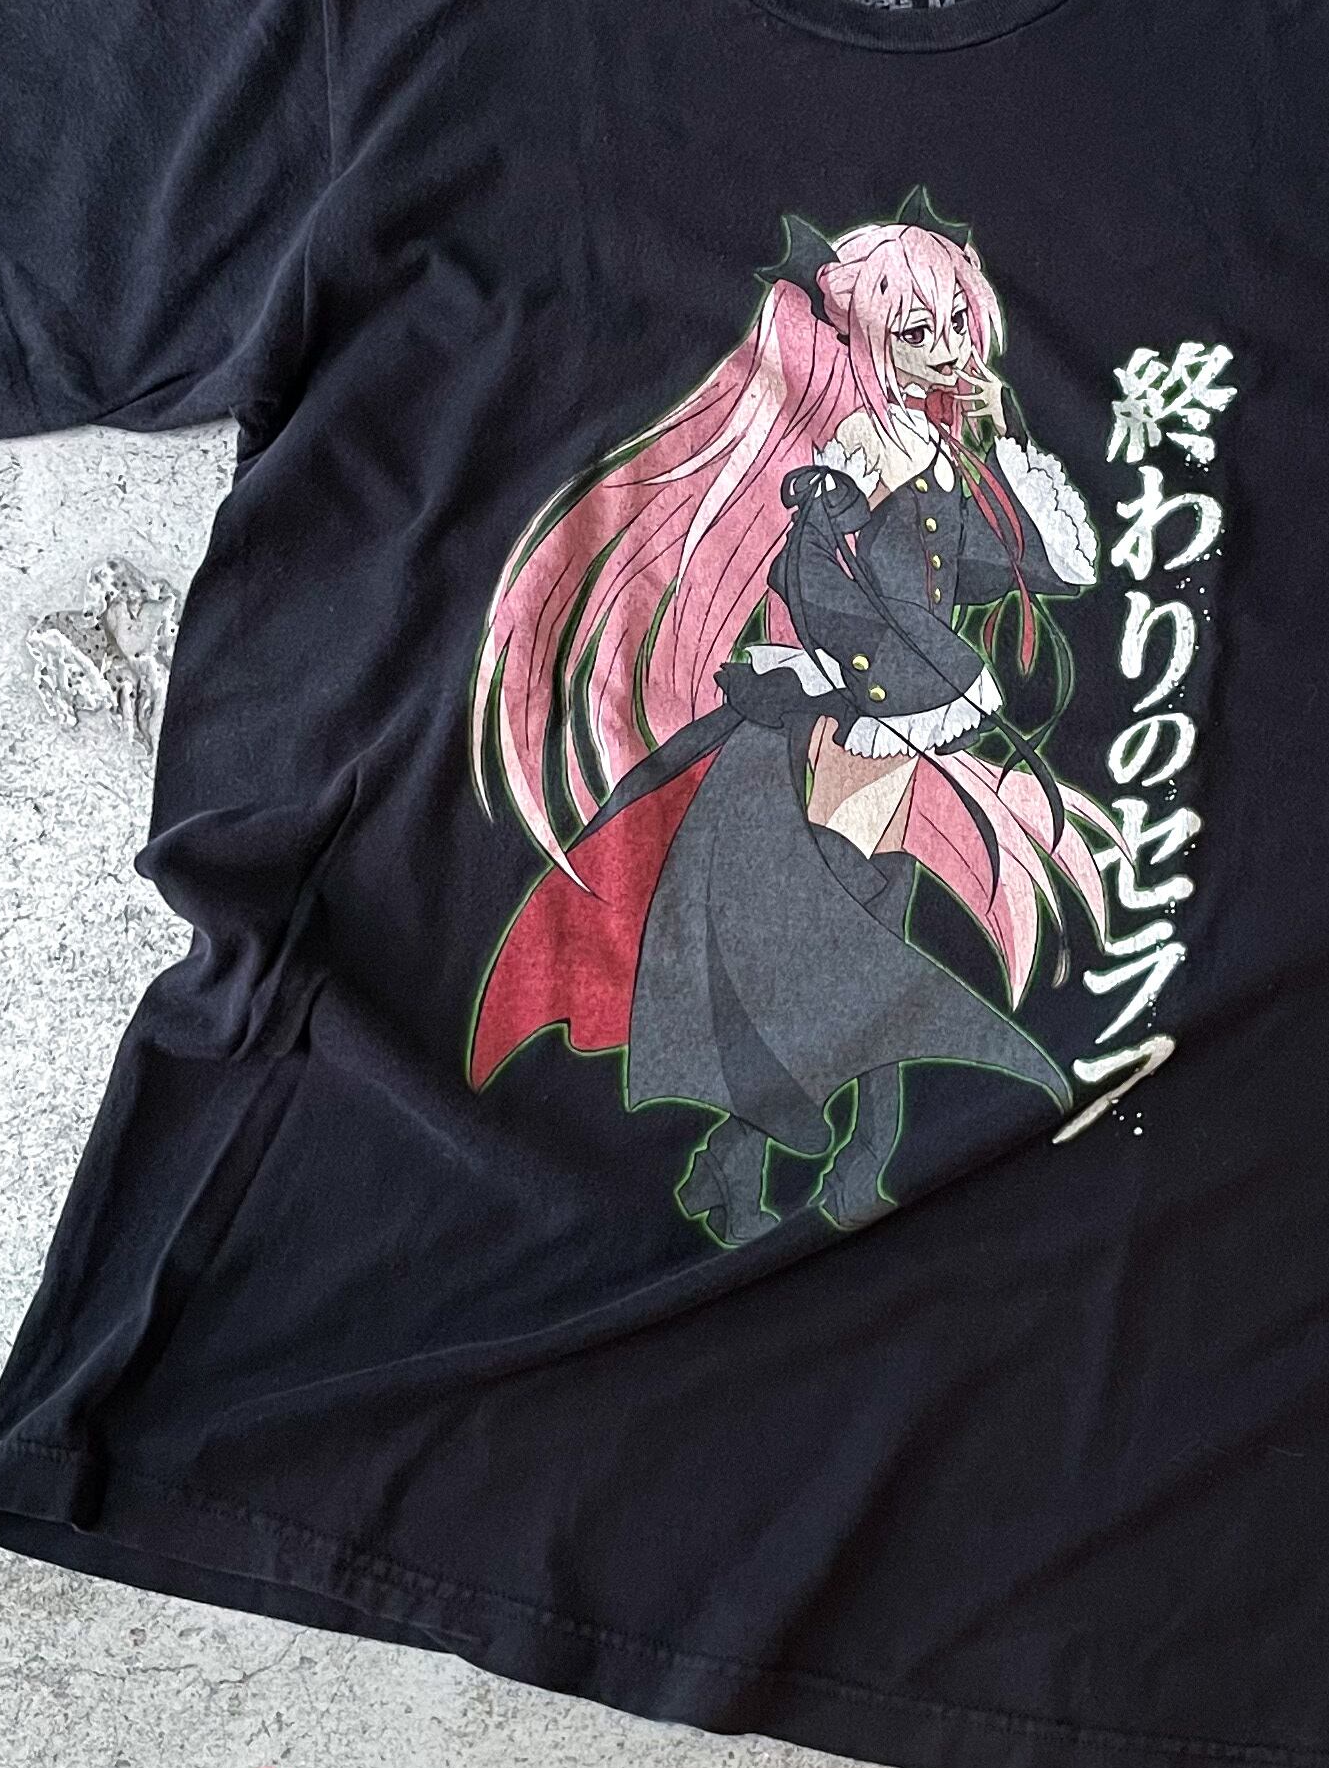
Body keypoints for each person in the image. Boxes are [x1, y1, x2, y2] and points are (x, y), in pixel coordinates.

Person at [468, 192, 1111, 1245]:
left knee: (855, 961)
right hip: (840, 728)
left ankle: (774, 1169)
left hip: (897, 729)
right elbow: (833, 594)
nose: (948, 349)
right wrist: (936, 680)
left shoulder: (931, 450)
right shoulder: (851, 464)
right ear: (866, 338)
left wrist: (1025, 502)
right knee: (841, 963)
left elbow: (971, 573)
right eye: (917, 331)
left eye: (957, 324)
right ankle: (803, 1167)